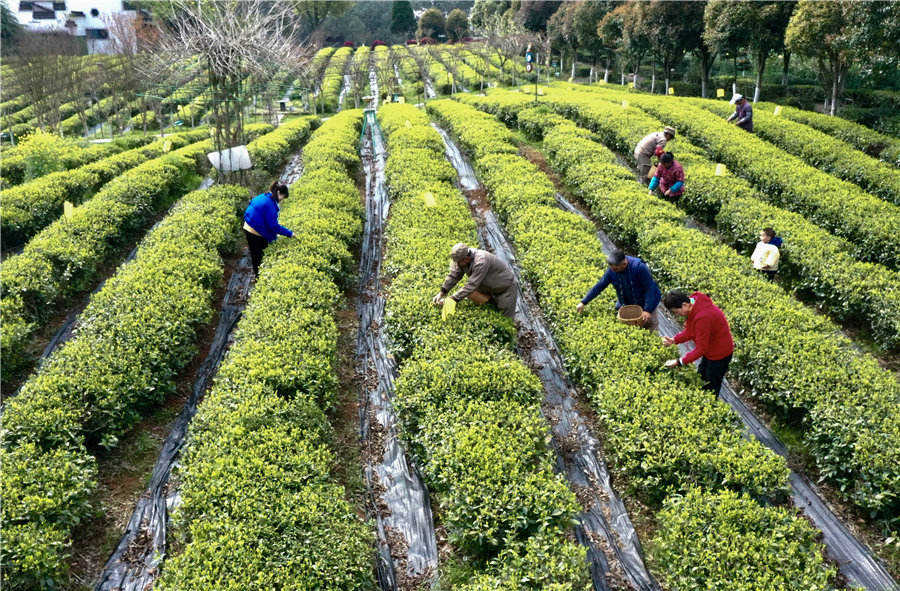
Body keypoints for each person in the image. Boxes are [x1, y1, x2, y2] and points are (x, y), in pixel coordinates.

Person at [661, 290, 735, 398]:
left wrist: (679, 362)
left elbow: (701, 349)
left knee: (711, 386)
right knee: (701, 377)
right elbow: (691, 330)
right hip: (711, 349)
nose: (678, 315)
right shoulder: (694, 301)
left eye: (677, 312)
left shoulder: (703, 318)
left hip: (720, 354)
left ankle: (710, 408)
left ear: (684, 305)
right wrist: (674, 340)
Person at [577, 249, 661, 330]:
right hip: (628, 301)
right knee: (629, 326)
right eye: (611, 268)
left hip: (645, 301)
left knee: (649, 323)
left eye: (615, 269)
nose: (613, 271)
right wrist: (583, 302)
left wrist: (647, 310)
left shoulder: (639, 268)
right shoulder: (612, 271)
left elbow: (650, 289)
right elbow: (600, 285)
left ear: (624, 264)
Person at [432, 243, 517, 318]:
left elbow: (471, 285)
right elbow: (454, 275)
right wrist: (442, 292)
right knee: (489, 308)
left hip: (504, 289)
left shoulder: (481, 261)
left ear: (466, 259)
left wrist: (452, 299)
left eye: (458, 262)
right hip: (487, 288)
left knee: (505, 318)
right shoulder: (462, 261)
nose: (457, 265)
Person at [243, 181, 293, 277]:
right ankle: (258, 277)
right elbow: (273, 226)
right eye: (283, 197)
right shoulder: (269, 204)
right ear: (279, 193)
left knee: (262, 248)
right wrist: (290, 233)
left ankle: (259, 273)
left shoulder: (265, 196)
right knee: (257, 255)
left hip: (249, 224)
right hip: (252, 230)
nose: (282, 200)